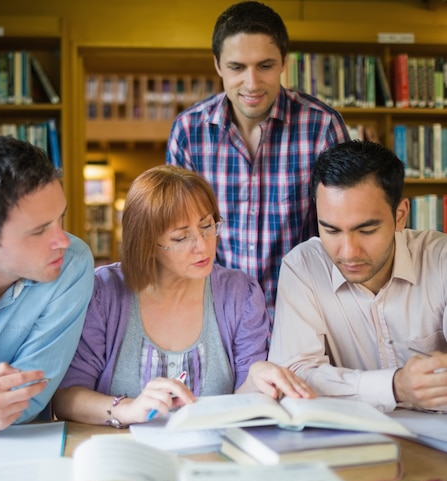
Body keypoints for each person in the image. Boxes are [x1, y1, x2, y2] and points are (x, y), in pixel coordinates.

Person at [53, 165, 313, 427]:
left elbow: (242, 404)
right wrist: (130, 409)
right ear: (146, 243)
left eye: (207, 226)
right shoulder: (104, 292)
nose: (202, 245)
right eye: (181, 237)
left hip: (210, 455)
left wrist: (255, 378)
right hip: (124, 452)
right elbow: (66, 398)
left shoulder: (240, 295)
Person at [166, 1, 350, 317]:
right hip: (216, 317)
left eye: (264, 66)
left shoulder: (321, 127)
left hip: (306, 315)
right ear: (218, 65)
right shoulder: (188, 132)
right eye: (237, 67)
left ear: (283, 64)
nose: (251, 84)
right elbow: (178, 236)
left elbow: (343, 228)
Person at [269, 139, 447, 413]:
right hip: (352, 443)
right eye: (331, 231)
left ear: (400, 216)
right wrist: (395, 386)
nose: (349, 252)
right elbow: (294, 376)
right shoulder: (302, 267)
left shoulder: (440, 259)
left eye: (366, 231)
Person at [0, 135, 94, 433]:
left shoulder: (72, 264)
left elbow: (27, 398)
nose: (63, 241)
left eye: (61, 218)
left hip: (21, 453)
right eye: (39, 231)